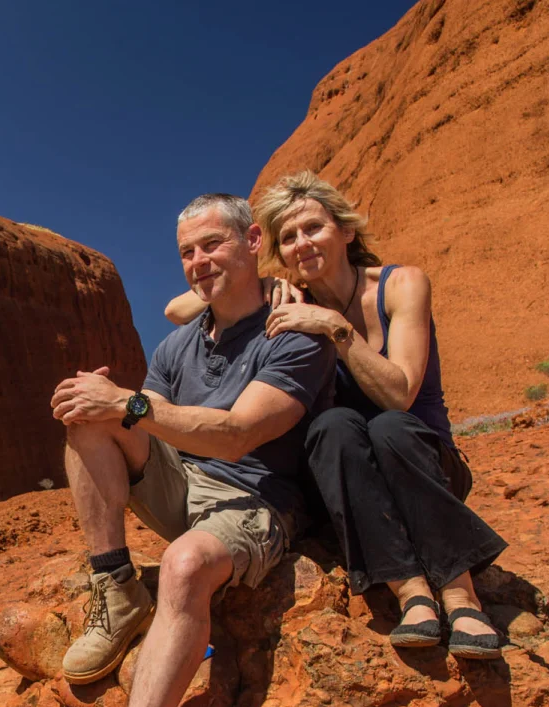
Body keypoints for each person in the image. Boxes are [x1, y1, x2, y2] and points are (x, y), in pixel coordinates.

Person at [49, 193, 334, 707]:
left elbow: (238, 435)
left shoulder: (294, 331)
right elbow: (145, 424)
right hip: (184, 486)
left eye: (212, 244)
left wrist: (136, 407)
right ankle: (115, 587)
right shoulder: (180, 343)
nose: (198, 261)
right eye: (187, 252)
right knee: (88, 414)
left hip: (256, 498)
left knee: (182, 566)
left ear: (252, 243)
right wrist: (107, 404)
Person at [164, 171, 506, 659]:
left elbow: (400, 394)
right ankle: (410, 595)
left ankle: (460, 596)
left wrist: (336, 327)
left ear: (346, 231)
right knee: (333, 425)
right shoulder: (289, 296)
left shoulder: (399, 285)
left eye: (313, 228)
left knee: (386, 425)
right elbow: (178, 309)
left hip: (423, 464)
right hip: (349, 475)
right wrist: (259, 282)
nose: (301, 243)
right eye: (288, 237)